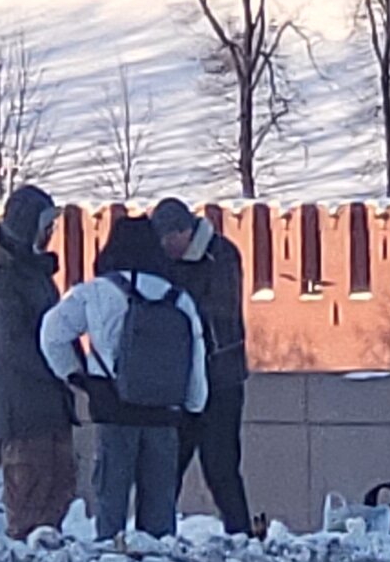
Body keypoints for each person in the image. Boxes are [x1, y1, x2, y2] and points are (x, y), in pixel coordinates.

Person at [39, 208, 208, 539]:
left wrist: (77, 377)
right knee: (160, 507)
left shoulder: (97, 291)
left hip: (113, 409)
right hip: (164, 414)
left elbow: (52, 333)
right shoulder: (178, 298)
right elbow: (195, 359)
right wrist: (192, 407)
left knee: (111, 500)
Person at [0, 185, 77, 539]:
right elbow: (11, 342)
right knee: (30, 493)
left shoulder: (32, 272)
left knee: (59, 487)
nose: (50, 236)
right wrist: (61, 367)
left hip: (49, 402)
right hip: (22, 403)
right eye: (46, 227)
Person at [154, 195, 255, 536]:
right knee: (169, 466)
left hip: (219, 378)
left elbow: (217, 313)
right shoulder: (170, 260)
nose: (167, 248)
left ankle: (239, 534)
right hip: (183, 383)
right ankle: (158, 535)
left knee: (221, 466)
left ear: (185, 231)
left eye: (170, 239)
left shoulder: (221, 254)